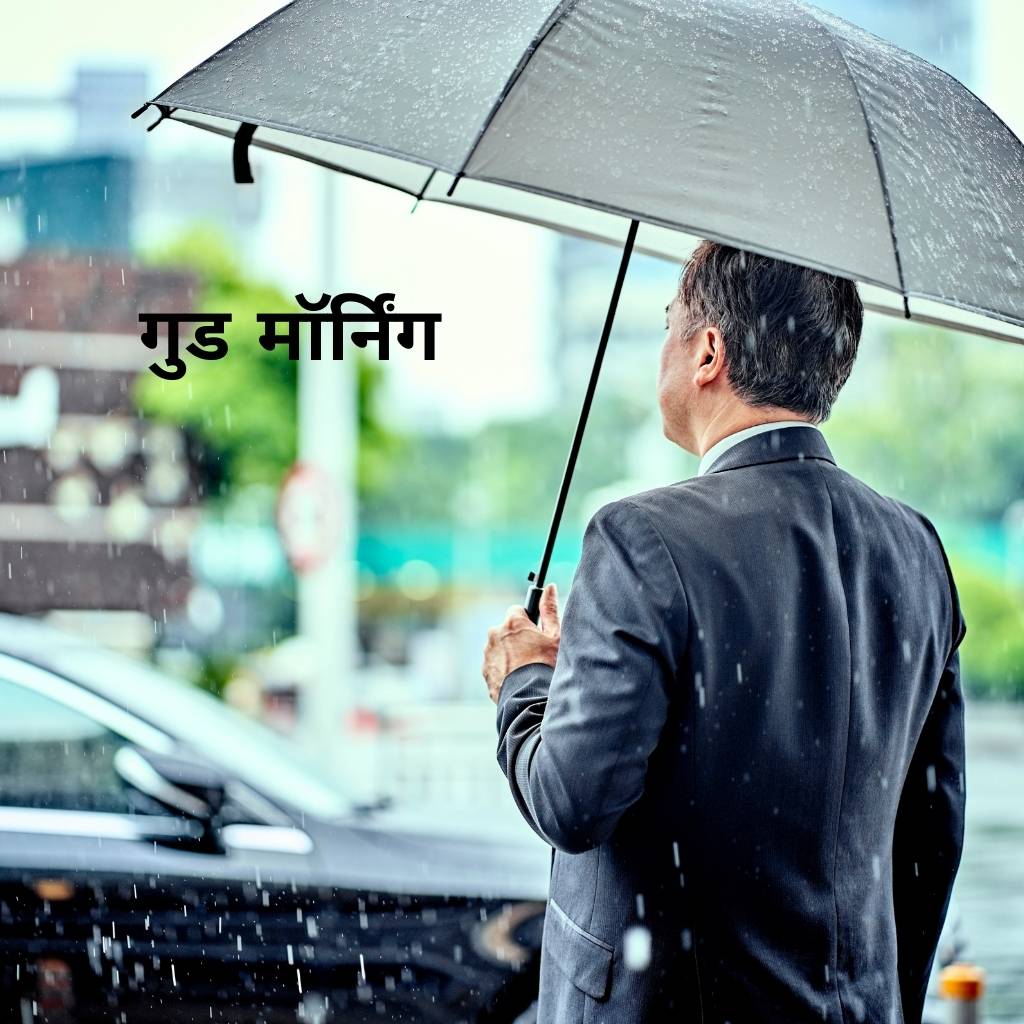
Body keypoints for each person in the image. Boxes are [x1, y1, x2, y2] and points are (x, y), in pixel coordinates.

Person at [481, 240, 966, 1024]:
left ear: (709, 351)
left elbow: (572, 802)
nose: (664, 341)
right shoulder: (917, 550)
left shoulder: (641, 539)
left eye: (670, 320)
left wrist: (525, 684)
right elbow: (930, 837)